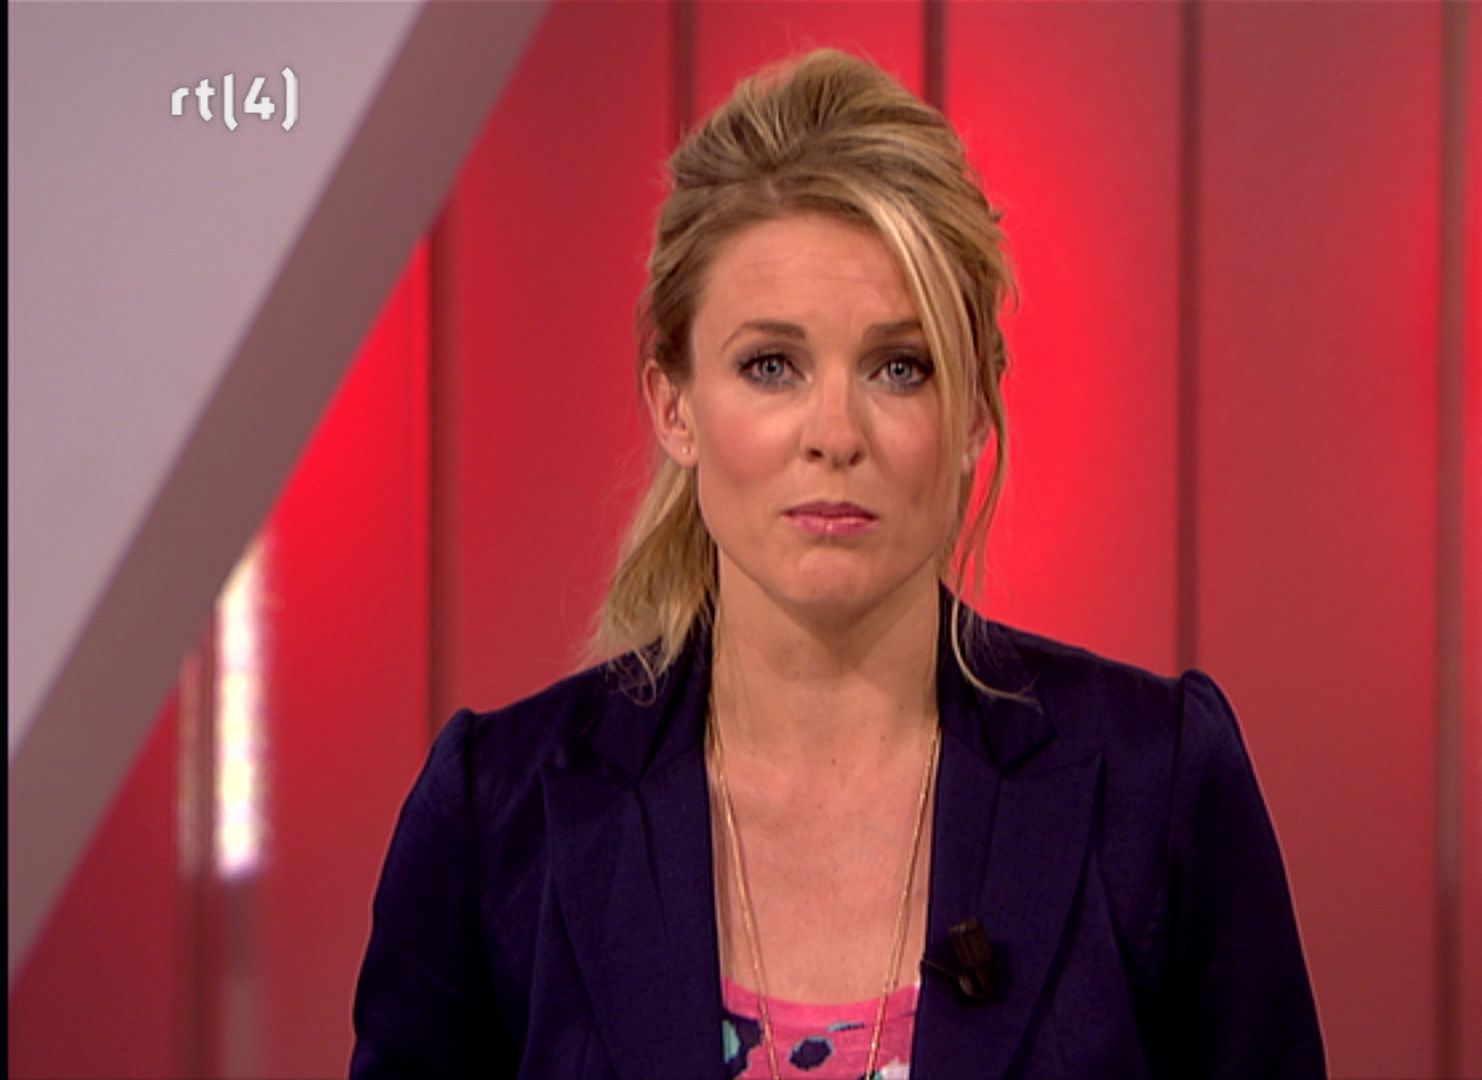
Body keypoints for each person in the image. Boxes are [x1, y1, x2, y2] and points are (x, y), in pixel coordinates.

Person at [350, 48, 1324, 1080]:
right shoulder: (499, 818)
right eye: (771, 366)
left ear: (972, 414)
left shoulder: (1156, 787)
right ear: (674, 406)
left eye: (899, 368)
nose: (835, 434)